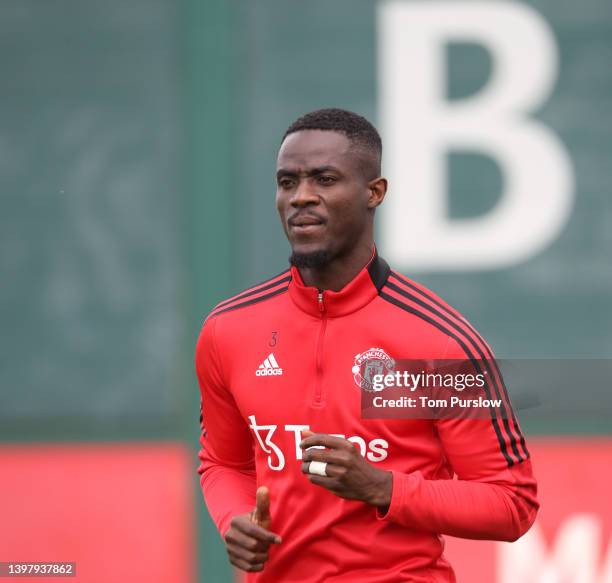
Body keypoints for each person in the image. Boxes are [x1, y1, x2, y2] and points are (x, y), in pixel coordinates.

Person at [195, 108, 538, 582]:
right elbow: (222, 462)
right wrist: (232, 517)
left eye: (325, 179)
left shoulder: (440, 340)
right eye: (287, 182)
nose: (301, 197)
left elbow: (512, 503)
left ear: (374, 192)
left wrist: (382, 487)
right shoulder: (228, 330)